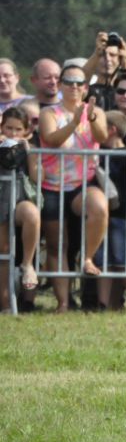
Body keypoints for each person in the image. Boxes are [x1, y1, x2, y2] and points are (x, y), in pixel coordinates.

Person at [38, 63, 109, 311]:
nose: (75, 87)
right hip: (52, 185)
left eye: (80, 83)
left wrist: (89, 118)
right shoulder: (49, 112)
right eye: (69, 82)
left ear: (86, 87)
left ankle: (87, 258)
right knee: (58, 245)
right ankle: (63, 304)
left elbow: (101, 137)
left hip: (83, 184)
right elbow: (51, 139)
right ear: (61, 85)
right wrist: (73, 122)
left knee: (100, 206)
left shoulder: (95, 111)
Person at [96, 108, 126, 312]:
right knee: (102, 261)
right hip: (101, 215)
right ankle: (102, 303)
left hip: (124, 215)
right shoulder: (97, 152)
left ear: (112, 129)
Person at [0, 106, 41, 310]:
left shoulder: (28, 147)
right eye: (8, 128)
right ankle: (6, 303)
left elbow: (36, 179)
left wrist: (29, 153)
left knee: (32, 213)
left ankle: (27, 264)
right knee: (4, 249)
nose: (13, 134)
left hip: (18, 200)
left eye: (18, 129)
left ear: (26, 131)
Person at [81, 32, 126, 111]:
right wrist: (97, 53)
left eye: (112, 55)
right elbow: (79, 81)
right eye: (103, 55)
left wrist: (125, 65)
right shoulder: (89, 91)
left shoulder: (123, 93)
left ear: (120, 60)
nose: (108, 59)